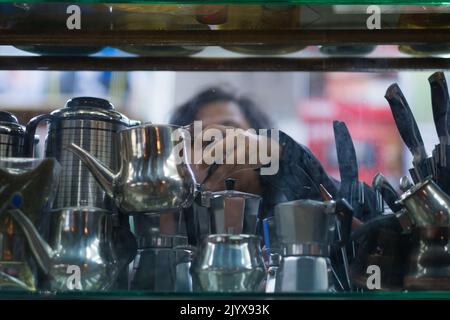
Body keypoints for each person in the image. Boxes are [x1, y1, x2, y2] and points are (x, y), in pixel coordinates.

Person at [170, 87, 342, 219]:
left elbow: (352, 217)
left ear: (259, 142)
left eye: (232, 129)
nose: (218, 143)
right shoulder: (173, 217)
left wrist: (282, 153)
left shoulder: (293, 201)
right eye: (201, 137)